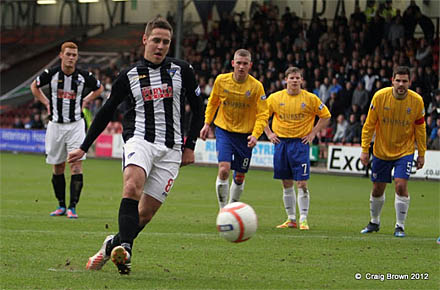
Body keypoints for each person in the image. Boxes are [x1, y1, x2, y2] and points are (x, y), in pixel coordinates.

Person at [67, 17, 203, 275]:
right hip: (139, 139)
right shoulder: (128, 75)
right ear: (144, 40)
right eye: (156, 40)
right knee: (131, 185)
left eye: (166, 42)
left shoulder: (182, 70)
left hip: (171, 149)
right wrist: (85, 146)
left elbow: (199, 110)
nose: (160, 46)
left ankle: (112, 246)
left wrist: (190, 145)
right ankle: (126, 250)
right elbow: (106, 111)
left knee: (145, 215)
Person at [30, 41, 103, 219]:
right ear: (61, 55)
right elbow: (34, 86)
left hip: (75, 125)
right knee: (58, 165)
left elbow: (99, 88)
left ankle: (73, 207)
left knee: (76, 165)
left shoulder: (83, 76)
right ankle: (61, 205)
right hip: (55, 125)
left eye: (74, 55)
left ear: (77, 58)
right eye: (68, 54)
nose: (71, 58)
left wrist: (86, 100)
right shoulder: (52, 74)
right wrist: (46, 102)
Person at [360, 66, 426, 238]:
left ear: (410, 82)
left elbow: (420, 129)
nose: (401, 84)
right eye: (398, 80)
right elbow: (369, 125)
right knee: (377, 189)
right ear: (392, 81)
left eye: (405, 81)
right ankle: (374, 222)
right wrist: (365, 149)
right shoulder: (380, 97)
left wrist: (421, 153)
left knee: (401, 185)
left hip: (405, 151)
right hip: (381, 151)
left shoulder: (417, 101)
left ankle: (400, 226)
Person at [199, 49, 269, 209]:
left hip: (245, 136)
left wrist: (255, 135)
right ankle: (223, 210)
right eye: (238, 63)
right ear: (233, 63)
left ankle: (232, 208)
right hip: (224, 131)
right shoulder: (221, 81)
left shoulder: (257, 87)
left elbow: (263, 114)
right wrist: (207, 123)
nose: (241, 66)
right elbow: (213, 102)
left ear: (250, 65)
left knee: (240, 175)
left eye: (245, 63)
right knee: (224, 170)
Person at [264, 67, 331, 230]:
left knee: (301, 183)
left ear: (302, 81)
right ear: (285, 80)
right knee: (286, 182)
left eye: (297, 78)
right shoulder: (275, 98)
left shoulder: (310, 99)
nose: (294, 81)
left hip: (299, 144)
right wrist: (269, 133)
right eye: (291, 78)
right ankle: (291, 219)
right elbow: (261, 116)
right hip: (281, 144)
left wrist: (313, 133)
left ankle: (304, 219)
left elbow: (326, 116)